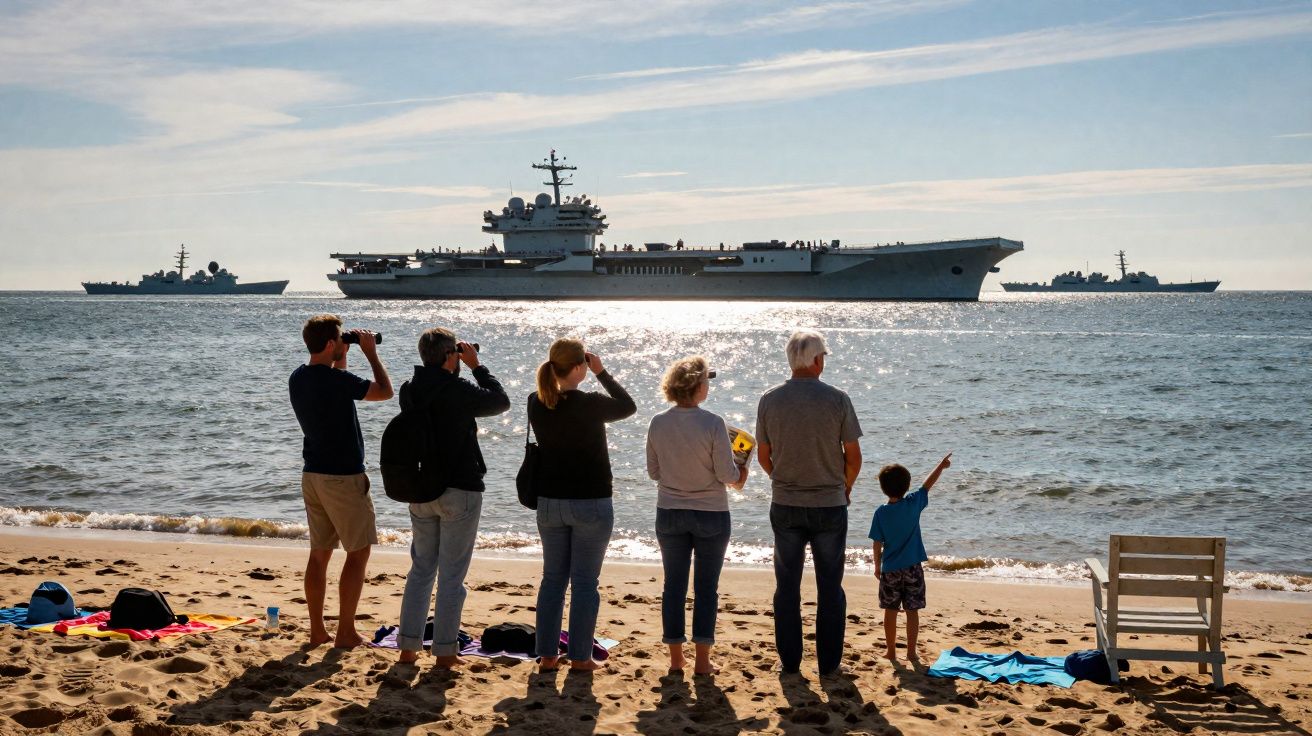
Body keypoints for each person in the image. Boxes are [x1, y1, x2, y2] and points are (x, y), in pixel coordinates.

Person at [396, 328, 510, 668]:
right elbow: (499, 401)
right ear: (450, 356)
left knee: (420, 570)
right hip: (459, 488)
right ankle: (445, 652)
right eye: (456, 354)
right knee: (451, 576)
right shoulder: (457, 388)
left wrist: (459, 363)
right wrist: (477, 366)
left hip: (421, 489)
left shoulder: (409, 390)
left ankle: (408, 649)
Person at [755, 330, 862, 676]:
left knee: (787, 586)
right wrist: (844, 487)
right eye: (823, 358)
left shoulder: (769, 400)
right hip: (829, 503)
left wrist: (780, 479)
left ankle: (790, 662)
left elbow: (764, 455)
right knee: (830, 587)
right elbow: (854, 456)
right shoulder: (838, 399)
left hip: (786, 503)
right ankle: (829, 665)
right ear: (817, 361)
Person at [528, 338, 636, 672]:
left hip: (549, 502)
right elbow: (628, 405)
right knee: (585, 583)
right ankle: (579, 658)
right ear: (580, 367)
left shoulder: (536, 401)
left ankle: (547, 655)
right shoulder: (590, 403)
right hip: (590, 501)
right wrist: (602, 372)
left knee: (552, 581)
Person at [288, 315, 393, 648]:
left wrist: (343, 352)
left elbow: (334, 377)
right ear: (331, 344)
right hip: (343, 478)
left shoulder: (299, 377)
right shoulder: (336, 383)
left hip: (313, 474)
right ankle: (345, 631)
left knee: (319, 554)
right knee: (358, 552)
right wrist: (371, 353)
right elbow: (384, 392)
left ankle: (317, 630)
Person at [645, 356, 748, 675]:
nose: (707, 386)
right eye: (706, 381)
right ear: (697, 387)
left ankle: (676, 660)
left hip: (670, 511)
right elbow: (726, 474)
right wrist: (742, 469)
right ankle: (702, 661)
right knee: (706, 589)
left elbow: (653, 471)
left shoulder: (658, 422)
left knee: (673, 586)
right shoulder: (713, 423)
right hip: (711, 514)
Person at [870, 453, 952, 663]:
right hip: (913, 568)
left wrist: (877, 565)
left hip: (890, 570)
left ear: (883, 487)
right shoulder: (913, 504)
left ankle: (890, 651)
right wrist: (940, 466)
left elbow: (877, 542)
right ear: (907, 487)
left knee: (890, 610)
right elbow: (927, 485)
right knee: (912, 611)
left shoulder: (881, 513)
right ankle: (911, 652)